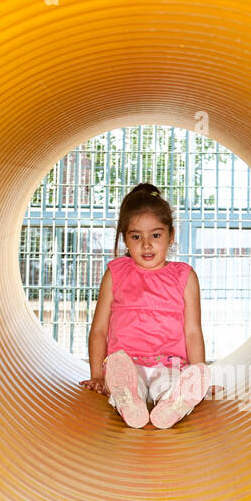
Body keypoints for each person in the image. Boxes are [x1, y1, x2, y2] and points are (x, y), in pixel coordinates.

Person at [79, 183, 212, 428]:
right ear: (125, 238)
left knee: (170, 384)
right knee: (125, 381)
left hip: (171, 364)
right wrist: (97, 374)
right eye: (136, 236)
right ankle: (129, 401)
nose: (147, 244)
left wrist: (198, 369)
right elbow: (98, 329)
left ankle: (176, 402)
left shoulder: (184, 276)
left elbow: (193, 331)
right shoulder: (116, 273)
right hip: (127, 365)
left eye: (156, 235)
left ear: (171, 236)